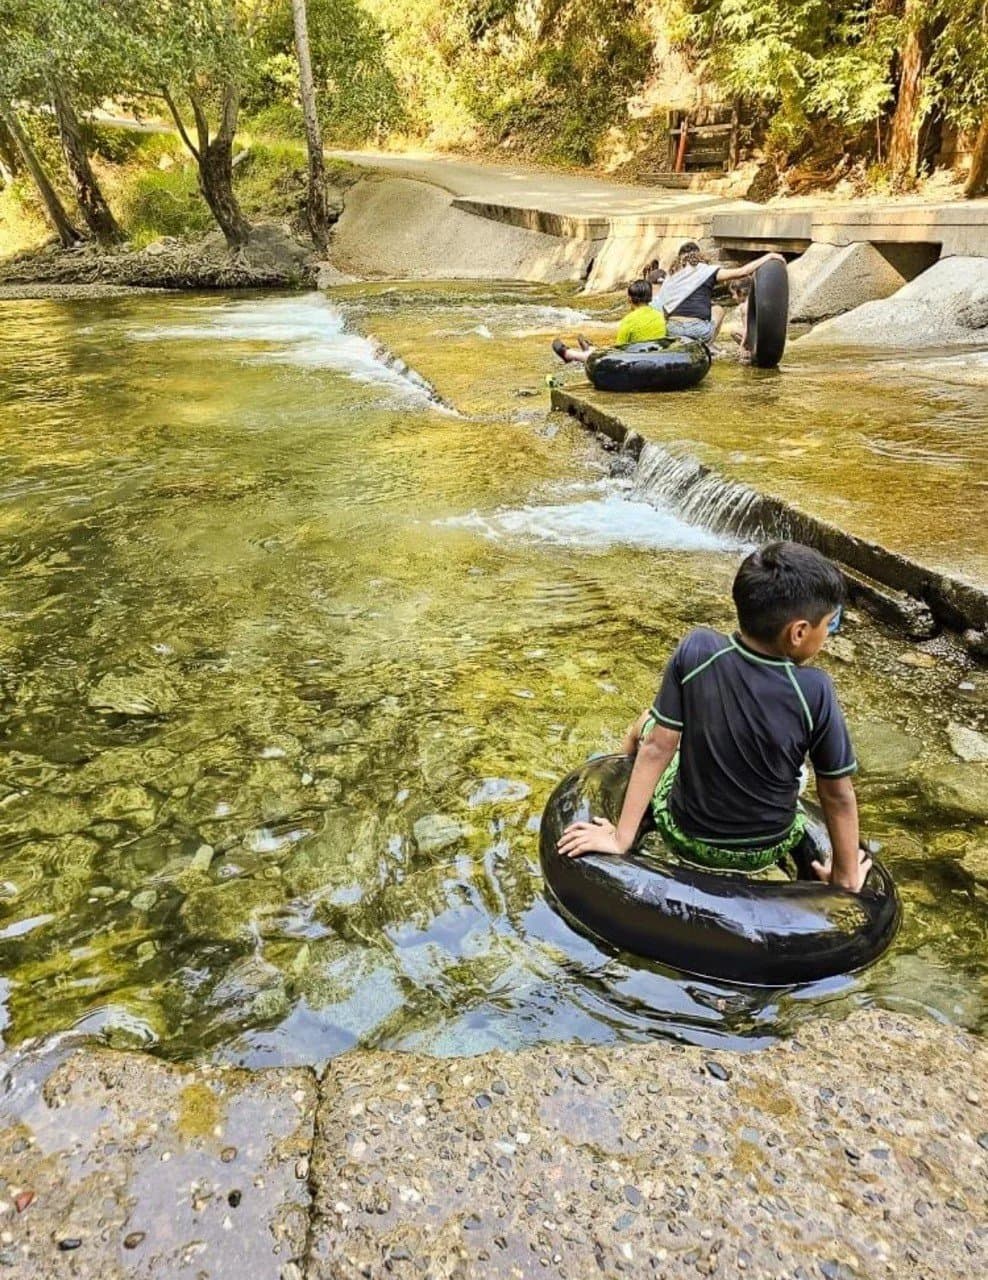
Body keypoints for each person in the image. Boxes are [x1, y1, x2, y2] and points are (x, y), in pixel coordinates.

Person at [557, 541, 872, 893]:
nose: (828, 634)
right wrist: (845, 878)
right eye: (829, 625)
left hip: (686, 836)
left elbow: (660, 748)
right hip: (767, 849)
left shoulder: (697, 650)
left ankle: (611, 768)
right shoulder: (814, 690)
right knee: (799, 775)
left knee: (648, 723)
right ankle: (613, 770)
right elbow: (838, 795)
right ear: (798, 632)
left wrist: (620, 838)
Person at [654, 241, 786, 344]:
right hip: (698, 330)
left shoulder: (672, 276)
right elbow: (742, 272)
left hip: (672, 329)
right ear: (699, 257)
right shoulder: (707, 270)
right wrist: (770, 256)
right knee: (718, 309)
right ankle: (708, 346)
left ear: (680, 260)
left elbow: (663, 307)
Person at [552, 278, 666, 364]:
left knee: (603, 358)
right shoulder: (660, 316)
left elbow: (619, 350)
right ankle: (592, 349)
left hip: (634, 365)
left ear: (630, 299)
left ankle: (571, 355)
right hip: (655, 361)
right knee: (606, 351)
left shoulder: (628, 321)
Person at [728, 277, 751, 362]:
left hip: (757, 337)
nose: (733, 297)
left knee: (734, 332)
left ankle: (748, 352)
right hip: (765, 336)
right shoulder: (754, 300)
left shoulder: (744, 306)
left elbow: (747, 329)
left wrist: (741, 346)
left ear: (740, 292)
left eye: (733, 294)